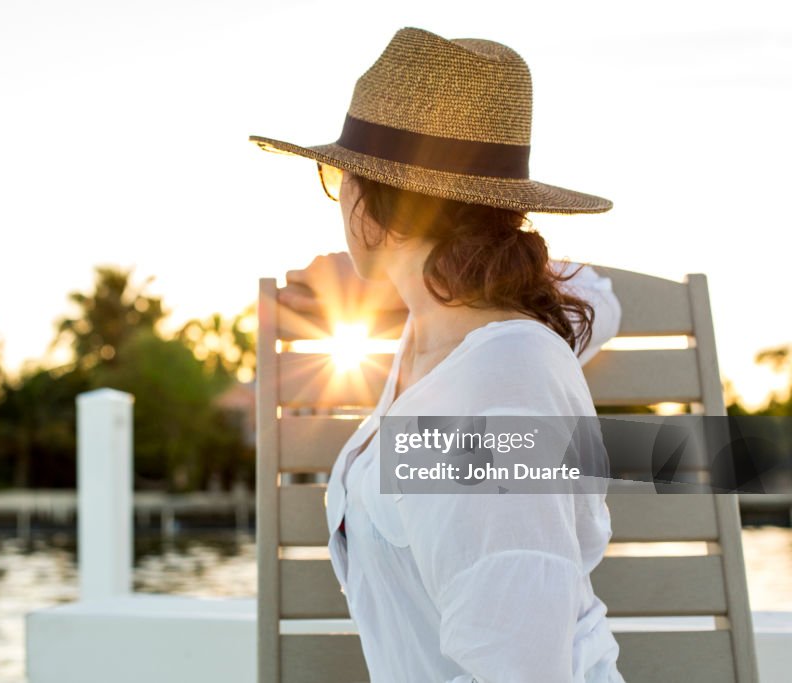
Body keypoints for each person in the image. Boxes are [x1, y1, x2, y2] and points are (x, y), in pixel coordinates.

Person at [249, 27, 626, 682]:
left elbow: (519, 667)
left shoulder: (496, 389)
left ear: (366, 206)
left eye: (336, 176)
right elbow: (598, 296)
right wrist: (404, 267)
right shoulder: (459, 330)